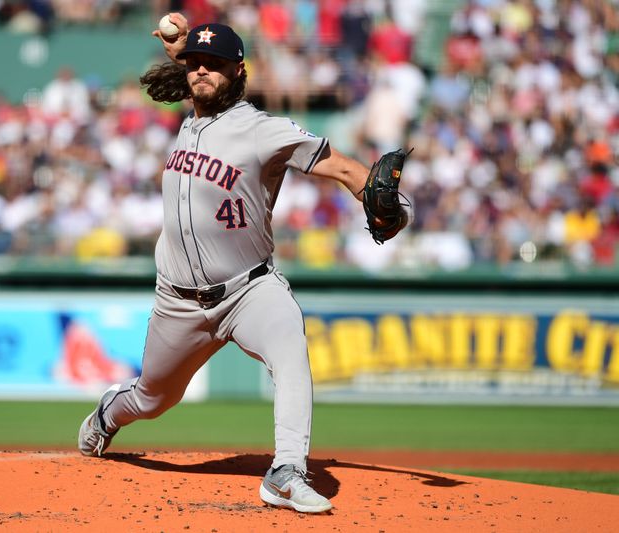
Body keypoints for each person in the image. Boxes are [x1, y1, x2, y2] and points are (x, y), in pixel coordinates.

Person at [78, 14, 407, 514]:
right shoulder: (192, 108)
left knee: (292, 354)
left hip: (248, 290)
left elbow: (342, 166)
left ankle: (287, 471)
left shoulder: (263, 129)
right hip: (179, 301)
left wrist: (389, 205)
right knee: (152, 398)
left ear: (239, 70)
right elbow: (195, 71)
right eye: (195, 65)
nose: (201, 71)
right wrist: (181, 49)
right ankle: (107, 415)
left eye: (214, 65)